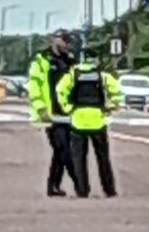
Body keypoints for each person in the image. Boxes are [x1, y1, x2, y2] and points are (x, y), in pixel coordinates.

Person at [56, 53, 123, 198]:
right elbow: (116, 91)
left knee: (79, 159)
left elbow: (60, 91)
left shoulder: (72, 75)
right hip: (97, 121)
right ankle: (109, 189)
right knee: (103, 159)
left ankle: (82, 190)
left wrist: (68, 108)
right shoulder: (101, 75)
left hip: (78, 122)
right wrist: (111, 106)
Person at [27, 29, 78, 197]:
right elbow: (34, 84)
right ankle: (79, 184)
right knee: (64, 149)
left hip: (66, 112)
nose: (65, 43)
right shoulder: (42, 59)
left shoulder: (70, 60)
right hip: (49, 112)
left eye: (67, 40)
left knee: (59, 152)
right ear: (54, 40)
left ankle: (53, 186)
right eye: (63, 40)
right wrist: (40, 107)